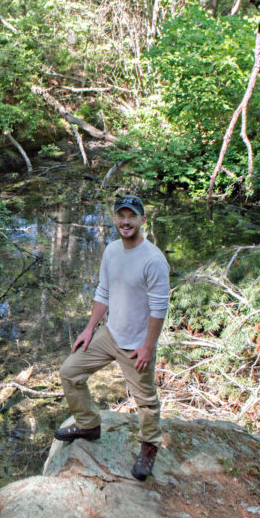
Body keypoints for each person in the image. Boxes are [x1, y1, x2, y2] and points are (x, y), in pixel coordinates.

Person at [54, 195, 170, 481]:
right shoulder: (111, 251)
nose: (126, 222)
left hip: (136, 345)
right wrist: (89, 329)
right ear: (115, 219)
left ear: (143, 220)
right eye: (121, 216)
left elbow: (159, 309)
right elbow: (103, 292)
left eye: (132, 216)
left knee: (144, 400)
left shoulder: (153, 260)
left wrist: (147, 347)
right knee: (69, 372)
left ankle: (149, 447)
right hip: (110, 334)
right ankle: (89, 425)